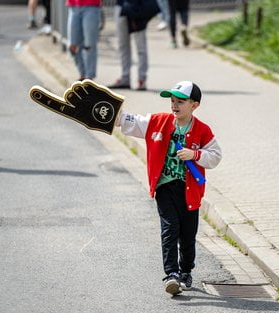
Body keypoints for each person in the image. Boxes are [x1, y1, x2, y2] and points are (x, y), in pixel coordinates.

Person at [115, 81, 222, 295]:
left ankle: (185, 271)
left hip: (190, 191)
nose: (174, 105)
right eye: (172, 101)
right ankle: (171, 274)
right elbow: (132, 122)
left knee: (188, 235)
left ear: (194, 105)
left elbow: (216, 156)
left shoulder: (202, 130)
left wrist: (195, 154)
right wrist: (110, 111)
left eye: (180, 101)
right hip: (164, 186)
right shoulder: (159, 122)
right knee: (169, 228)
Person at [108, 0, 159, 91]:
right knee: (123, 45)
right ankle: (125, 78)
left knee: (140, 47)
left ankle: (141, 79)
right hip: (121, 6)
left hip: (137, 8)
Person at [66, 0, 102, 81]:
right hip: (73, 6)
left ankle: (89, 76)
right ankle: (83, 73)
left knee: (89, 44)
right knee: (72, 45)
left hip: (91, 6)